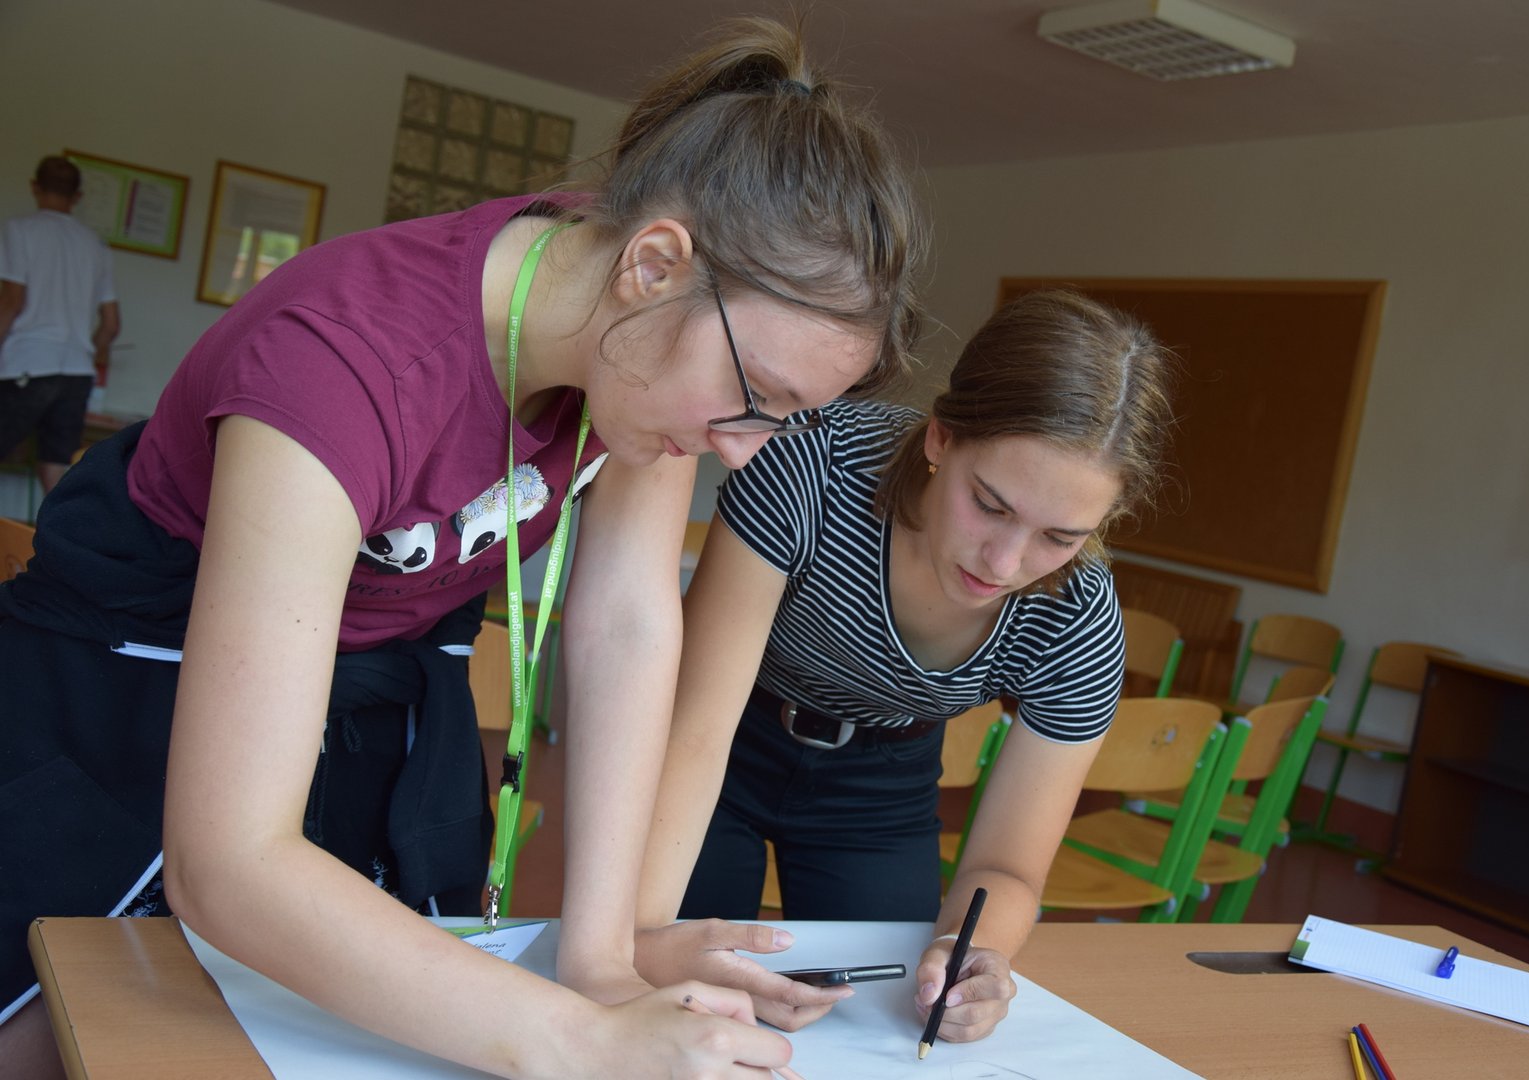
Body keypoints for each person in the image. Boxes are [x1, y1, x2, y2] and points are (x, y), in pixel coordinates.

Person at [0, 16, 924, 1078]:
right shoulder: (339, 365)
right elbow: (232, 863)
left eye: (785, 421)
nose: (743, 450)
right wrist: (584, 1044)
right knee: (79, 1027)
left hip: (375, 686)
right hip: (131, 672)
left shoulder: (640, 329)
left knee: (336, 1025)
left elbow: (624, 622)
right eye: (756, 397)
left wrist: (602, 961)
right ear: (653, 264)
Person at [634, 289, 1176, 1043]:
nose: (1005, 563)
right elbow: (694, 733)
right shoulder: (810, 465)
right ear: (941, 438)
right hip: (722, 738)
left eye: (1060, 537)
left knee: (890, 1014)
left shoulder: (1078, 619)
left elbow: (1008, 868)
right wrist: (643, 939)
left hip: (880, 783)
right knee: (677, 986)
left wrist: (973, 955)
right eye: (990, 505)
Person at [0, 155, 120, 495]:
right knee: (55, 465)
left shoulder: (20, 230)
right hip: (77, 373)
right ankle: (59, 531)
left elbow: (12, 302)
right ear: (77, 196)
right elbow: (111, 324)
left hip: (28, 363)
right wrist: (92, 354)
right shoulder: (96, 246)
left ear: (34, 187)